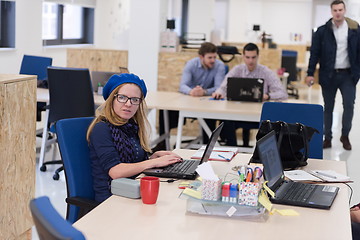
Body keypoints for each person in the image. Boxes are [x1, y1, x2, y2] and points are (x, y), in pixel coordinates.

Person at [87, 73, 182, 202]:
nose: (128, 104)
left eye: (135, 100)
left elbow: (131, 161)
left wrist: (152, 157)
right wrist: (153, 163)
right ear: (112, 99)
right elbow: (116, 171)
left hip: (132, 189)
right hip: (111, 198)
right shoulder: (101, 128)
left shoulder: (131, 126)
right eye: (122, 98)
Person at [305, 0, 360, 151]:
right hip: (328, 75)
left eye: (340, 9)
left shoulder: (354, 29)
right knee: (328, 107)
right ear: (331, 12)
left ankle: (345, 135)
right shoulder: (322, 31)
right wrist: (310, 73)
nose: (338, 12)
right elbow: (314, 53)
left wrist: (357, 72)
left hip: (348, 75)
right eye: (335, 10)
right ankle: (327, 137)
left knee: (349, 105)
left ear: (344, 10)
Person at [212, 42, 288, 147]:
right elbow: (223, 87)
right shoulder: (237, 70)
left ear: (258, 56)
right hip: (239, 113)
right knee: (226, 122)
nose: (250, 61)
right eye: (247, 57)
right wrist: (219, 93)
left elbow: (283, 93)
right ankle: (232, 150)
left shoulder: (266, 72)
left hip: (258, 115)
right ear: (243, 56)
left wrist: (267, 96)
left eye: (253, 57)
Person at [155, 42, 226, 150]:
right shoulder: (191, 64)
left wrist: (204, 92)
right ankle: (163, 144)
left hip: (208, 103)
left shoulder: (219, 66)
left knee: (210, 115)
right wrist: (192, 91)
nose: (213, 60)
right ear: (201, 57)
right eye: (210, 57)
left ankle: (207, 146)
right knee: (166, 110)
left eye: (214, 57)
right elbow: (182, 85)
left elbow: (218, 88)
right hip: (190, 100)